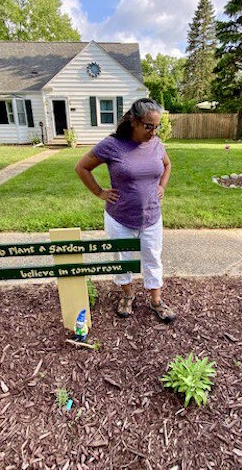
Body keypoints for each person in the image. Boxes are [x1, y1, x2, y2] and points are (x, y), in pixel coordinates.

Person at [75, 98, 175, 323]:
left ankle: (156, 300)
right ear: (134, 122)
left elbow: (167, 165)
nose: (153, 131)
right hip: (119, 217)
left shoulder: (157, 144)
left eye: (156, 126)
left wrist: (162, 186)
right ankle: (127, 295)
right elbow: (81, 167)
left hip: (151, 216)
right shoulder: (112, 145)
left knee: (153, 258)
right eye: (148, 126)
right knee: (122, 258)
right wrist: (99, 192)